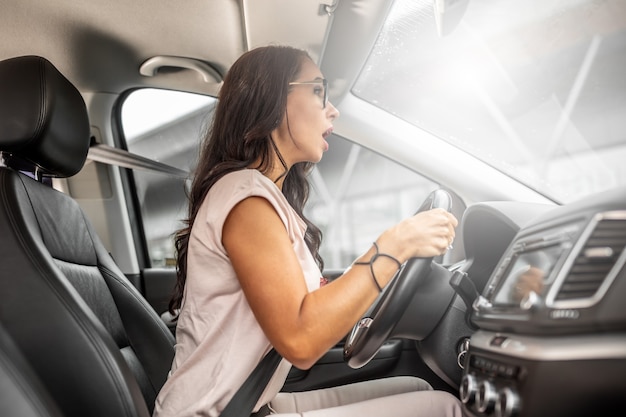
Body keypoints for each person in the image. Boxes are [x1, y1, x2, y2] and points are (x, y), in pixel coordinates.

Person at [152, 45, 462, 417]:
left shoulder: (259, 195)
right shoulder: (245, 198)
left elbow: (305, 309)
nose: (332, 109)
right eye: (317, 91)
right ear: (274, 99)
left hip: (250, 403)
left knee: (418, 387)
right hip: (216, 412)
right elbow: (301, 339)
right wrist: (395, 245)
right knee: (445, 408)